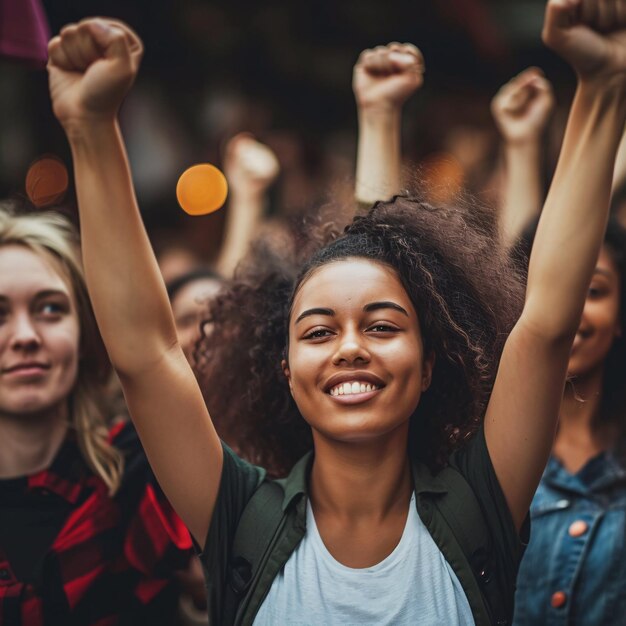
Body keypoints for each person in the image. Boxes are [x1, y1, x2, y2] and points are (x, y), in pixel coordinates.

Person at [46, 2, 626, 624]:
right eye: (319, 331)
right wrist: (90, 128)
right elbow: (147, 356)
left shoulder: (479, 505)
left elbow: (544, 323)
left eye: (382, 326)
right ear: (287, 371)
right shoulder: (241, 518)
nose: (351, 347)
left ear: (430, 365)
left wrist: (603, 86)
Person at [0, 205, 193, 625]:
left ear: (85, 333)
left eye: (50, 308)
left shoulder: (142, 471)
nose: (26, 336)